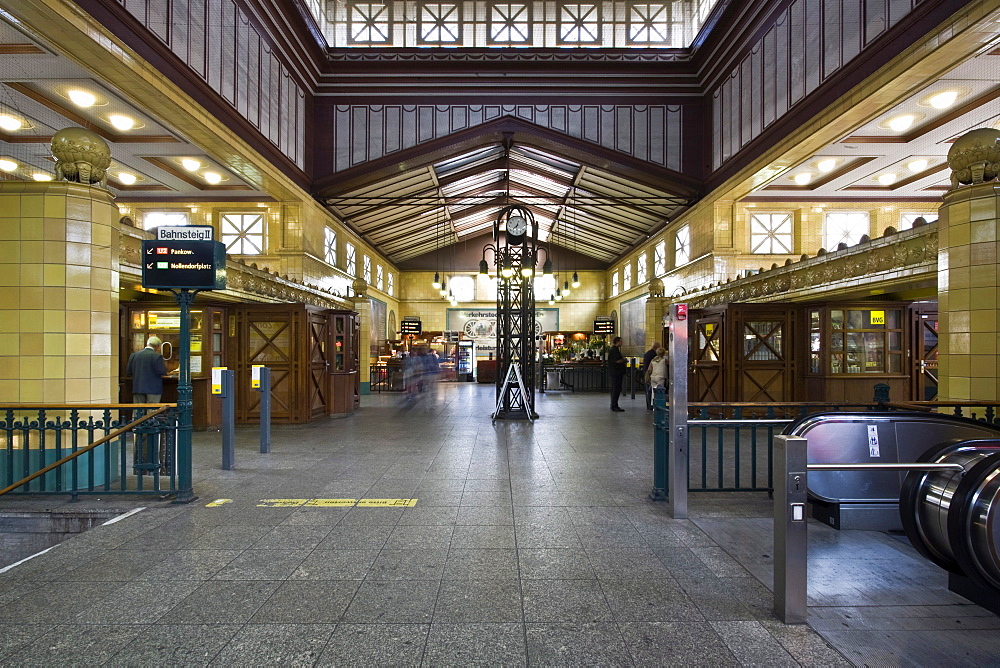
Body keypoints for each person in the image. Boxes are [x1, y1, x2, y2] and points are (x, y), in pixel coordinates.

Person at [126, 336, 168, 403]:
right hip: (153, 388)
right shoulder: (157, 356)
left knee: (138, 410)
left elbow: (129, 372)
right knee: (152, 410)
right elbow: (161, 371)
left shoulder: (134, 355)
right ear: (157, 346)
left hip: (138, 387)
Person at [608, 336, 626, 411]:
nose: (622, 343)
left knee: (615, 389)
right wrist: (624, 360)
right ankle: (614, 405)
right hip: (617, 372)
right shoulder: (614, 350)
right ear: (617, 342)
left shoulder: (613, 350)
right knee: (616, 389)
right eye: (621, 341)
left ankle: (613, 404)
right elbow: (617, 361)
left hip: (615, 372)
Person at [642, 341, 662, 410]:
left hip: (647, 373)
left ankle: (649, 404)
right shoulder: (655, 356)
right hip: (653, 374)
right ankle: (653, 404)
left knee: (648, 390)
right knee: (652, 390)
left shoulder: (647, 353)